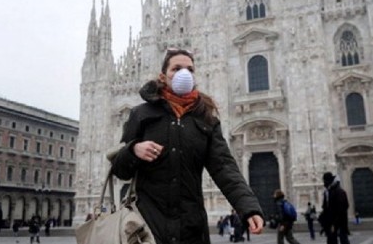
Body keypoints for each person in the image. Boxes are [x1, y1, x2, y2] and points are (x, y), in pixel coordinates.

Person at [110, 48, 265, 244]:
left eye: (190, 69)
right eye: (176, 68)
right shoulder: (142, 114)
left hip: (191, 228)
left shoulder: (206, 118)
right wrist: (134, 150)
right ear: (163, 76)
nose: (184, 73)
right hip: (147, 228)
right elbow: (120, 169)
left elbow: (224, 167)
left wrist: (248, 207)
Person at [320, 172, 350, 244]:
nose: (324, 183)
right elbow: (326, 207)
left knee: (343, 239)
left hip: (339, 221)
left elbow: (343, 207)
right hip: (331, 222)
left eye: (325, 181)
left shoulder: (339, 192)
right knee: (331, 239)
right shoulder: (327, 192)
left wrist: (335, 222)